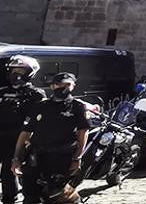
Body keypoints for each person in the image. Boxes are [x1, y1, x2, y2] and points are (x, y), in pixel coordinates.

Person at [11, 72, 89, 201]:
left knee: (57, 195)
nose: (61, 88)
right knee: (30, 195)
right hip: (36, 158)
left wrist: (78, 157)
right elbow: (25, 133)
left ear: (73, 86)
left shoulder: (77, 107)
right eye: (58, 84)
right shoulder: (41, 106)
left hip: (62, 158)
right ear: (52, 86)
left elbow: (83, 133)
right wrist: (16, 159)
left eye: (66, 85)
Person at [0, 55, 44, 204]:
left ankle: (9, 200)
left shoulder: (35, 94)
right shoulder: (0, 91)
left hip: (16, 140)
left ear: (30, 72)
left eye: (20, 70)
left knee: (9, 174)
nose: (15, 74)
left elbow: (35, 121)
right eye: (12, 70)